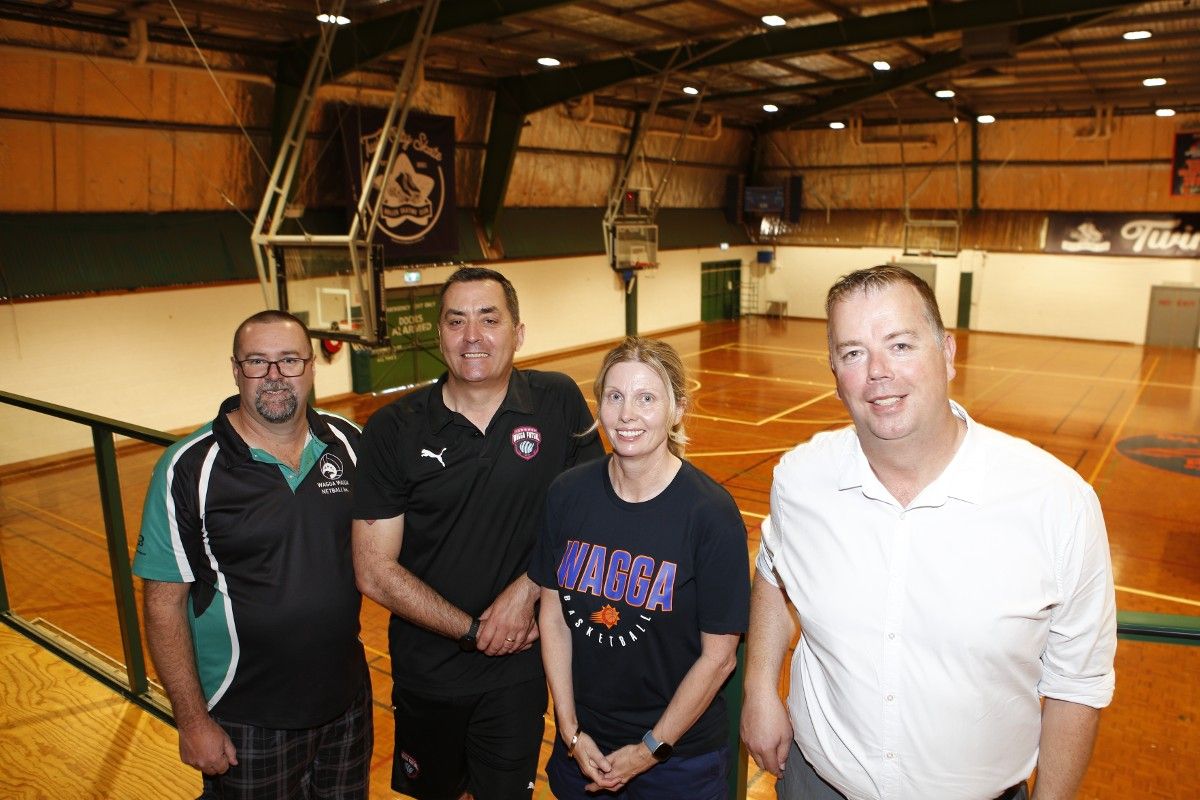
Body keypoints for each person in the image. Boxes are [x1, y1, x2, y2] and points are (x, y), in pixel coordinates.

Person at [741, 265, 1117, 800]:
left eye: (899, 345)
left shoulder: (1058, 503)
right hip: (814, 784)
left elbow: (1077, 685)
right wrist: (759, 687)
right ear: (834, 370)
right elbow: (774, 570)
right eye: (852, 353)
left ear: (948, 352)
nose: (876, 372)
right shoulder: (800, 479)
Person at [351, 266, 604, 800]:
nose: (473, 336)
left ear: (518, 332)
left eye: (489, 319)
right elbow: (374, 570)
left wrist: (527, 589)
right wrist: (470, 630)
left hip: (521, 668)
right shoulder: (393, 428)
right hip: (428, 672)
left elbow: (590, 516)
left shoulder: (557, 401)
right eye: (456, 321)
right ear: (438, 334)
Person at [134, 310, 371, 799]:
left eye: (289, 360)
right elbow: (163, 604)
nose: (275, 376)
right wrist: (193, 722)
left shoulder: (349, 444)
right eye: (257, 362)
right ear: (236, 370)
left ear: (311, 366)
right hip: (244, 719)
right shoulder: (188, 468)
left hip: (346, 700)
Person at [530, 336, 750, 799]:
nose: (627, 414)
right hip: (582, 751)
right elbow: (553, 616)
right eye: (615, 397)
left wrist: (649, 750)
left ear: (677, 409)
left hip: (678, 763)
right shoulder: (567, 495)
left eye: (646, 398)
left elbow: (720, 657)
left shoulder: (710, 513)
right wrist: (570, 732)